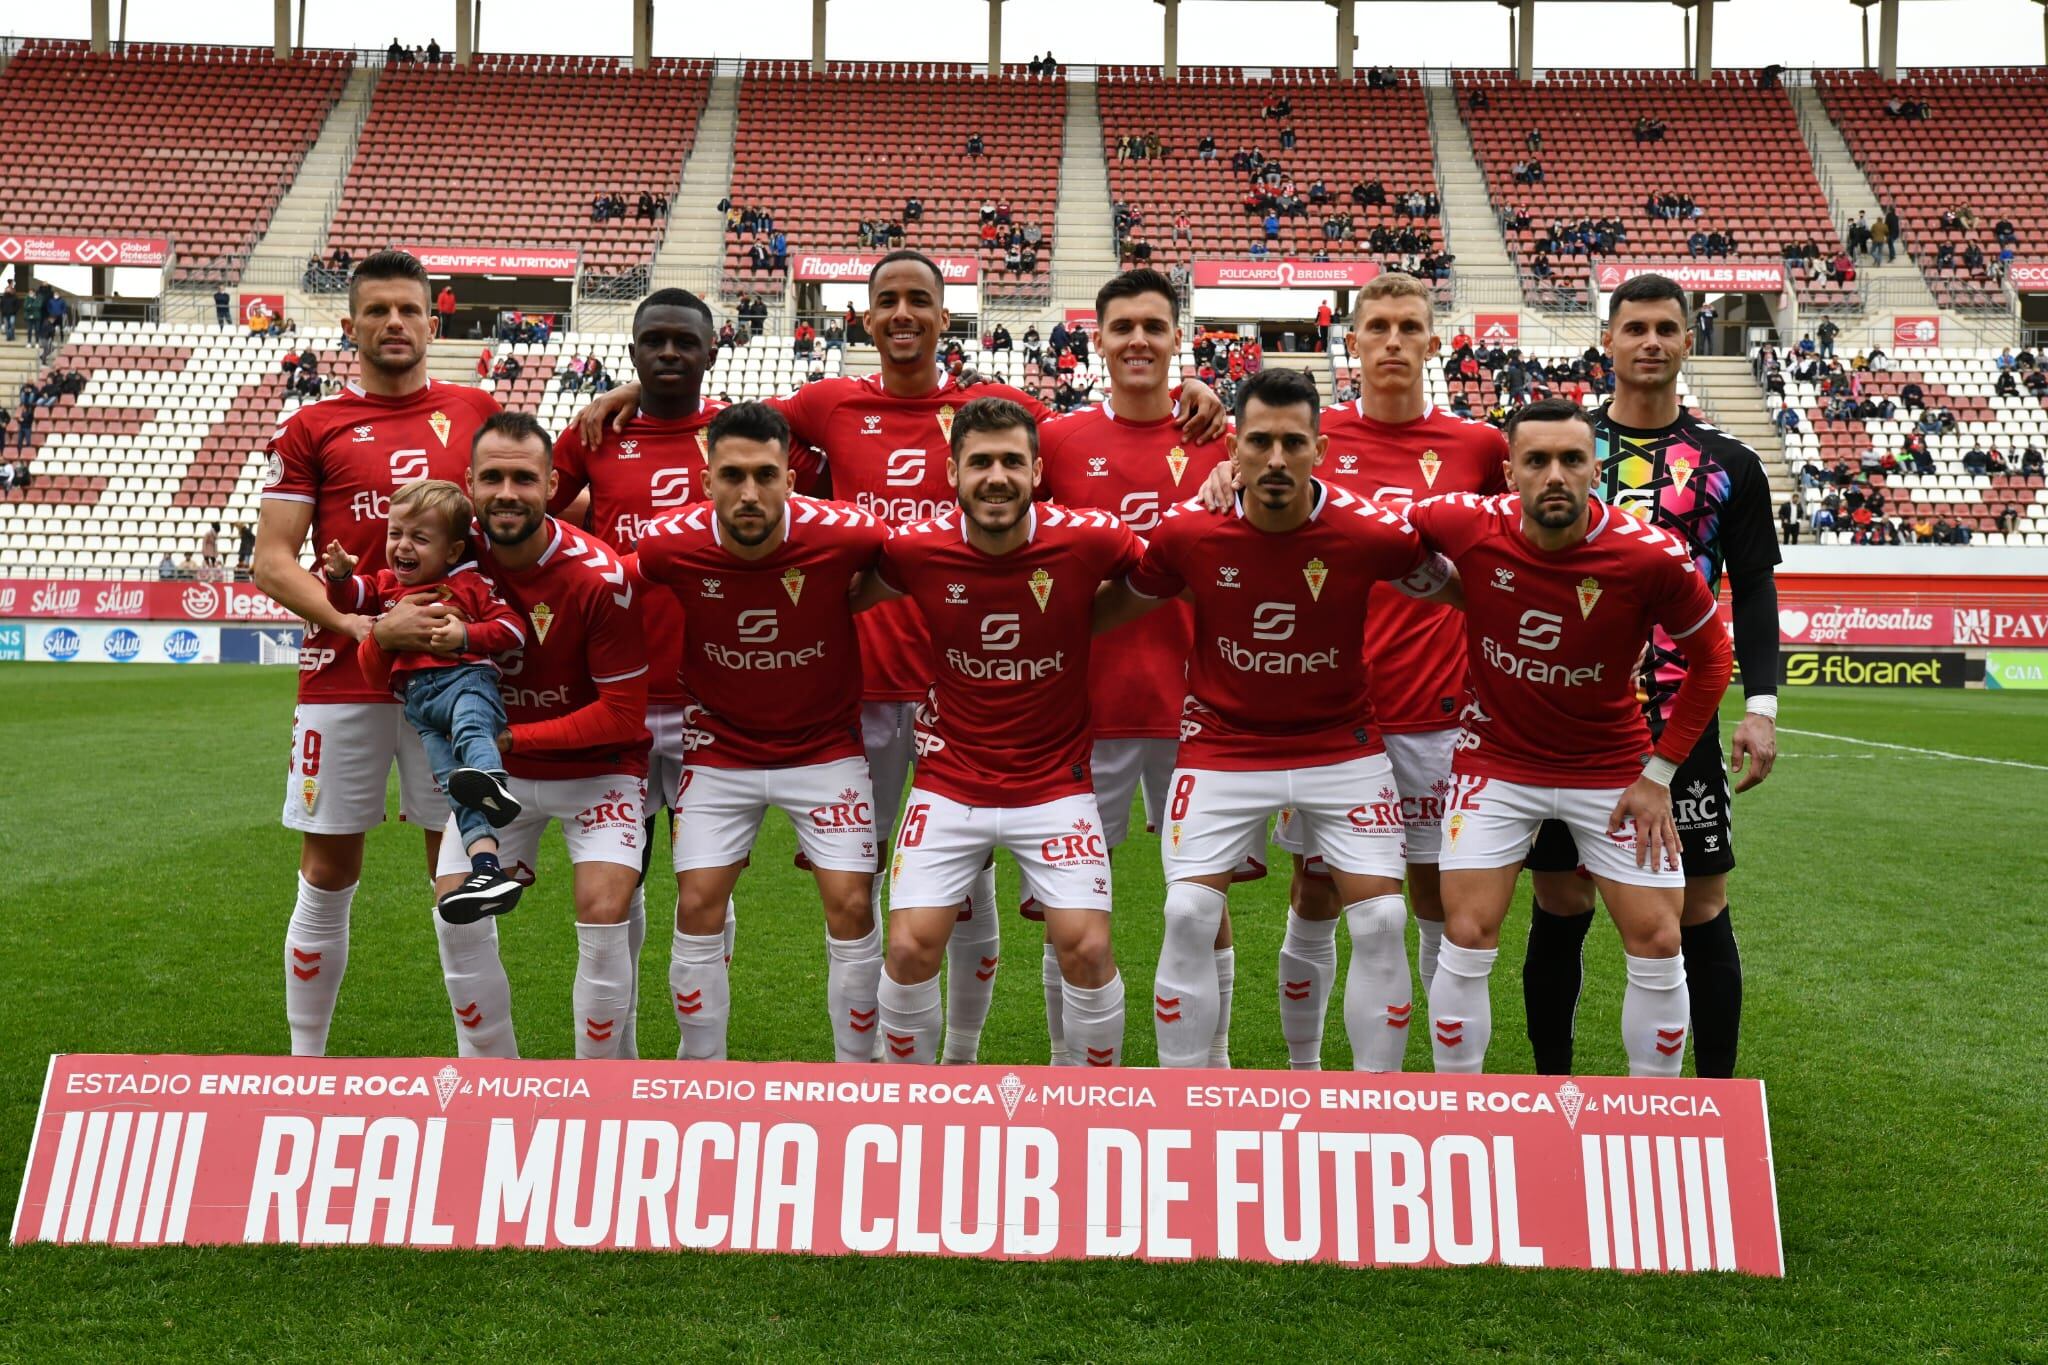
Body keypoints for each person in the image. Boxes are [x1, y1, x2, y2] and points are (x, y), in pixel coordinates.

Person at [577, 251, 1227, 1062]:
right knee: (883, 890)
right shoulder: (828, 401)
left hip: (994, 689)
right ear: (867, 316)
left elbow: (1128, 446)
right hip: (862, 682)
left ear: (945, 316)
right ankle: (885, 1069)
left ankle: (962, 1052)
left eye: (921, 300)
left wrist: (1197, 395)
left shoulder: (1016, 416)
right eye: (888, 301)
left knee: (976, 890)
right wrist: (644, 389)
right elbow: (732, 426)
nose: (904, 314)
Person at [1092, 368, 1459, 1069]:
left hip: (1341, 748)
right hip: (1223, 747)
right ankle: (1190, 1103)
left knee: (1382, 919)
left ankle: (1368, 1111)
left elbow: (1467, 593)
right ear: (1234, 448)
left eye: (1295, 442)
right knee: (1188, 913)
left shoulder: (1370, 531)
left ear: (1321, 448)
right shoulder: (1189, 531)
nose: (1278, 459)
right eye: (1260, 441)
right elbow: (1113, 606)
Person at [1407, 398, 1734, 1076]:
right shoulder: (1462, 522)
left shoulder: (1649, 556)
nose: (1555, 474)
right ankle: (1458, 1115)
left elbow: (1713, 658)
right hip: (1494, 763)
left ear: (1596, 468)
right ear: (1509, 473)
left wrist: (1659, 775)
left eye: (1571, 460)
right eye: (1537, 460)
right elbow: (1375, 532)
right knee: (1466, 932)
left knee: (1658, 935)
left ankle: (1657, 1124)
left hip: (1611, 769)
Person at [1520, 273, 1781, 1081]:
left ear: (1687, 341)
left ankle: (1716, 1102)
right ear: (1609, 341)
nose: (1651, 342)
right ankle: (1550, 1086)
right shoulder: (1563, 449)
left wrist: (1761, 704)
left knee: (1699, 903)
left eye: (1667, 328)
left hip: (1681, 718)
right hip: (1565, 715)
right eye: (1634, 328)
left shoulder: (1728, 462)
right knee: (1563, 899)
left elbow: (1758, 588)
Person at [1253, 271, 1511, 1070]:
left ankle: (1435, 1082)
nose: (1393, 340)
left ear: (1435, 343)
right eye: (1379, 327)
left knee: (1433, 896)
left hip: (1439, 714)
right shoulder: (1304, 438)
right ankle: (1306, 1069)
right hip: (1333, 717)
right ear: (1352, 343)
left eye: (1410, 327)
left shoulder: (1479, 447)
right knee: (1318, 891)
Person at [253, 250, 501, 1057]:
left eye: (409, 310)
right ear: (349, 324)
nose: (395, 323)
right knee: (326, 873)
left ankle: (485, 1069)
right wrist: (362, 628)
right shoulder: (312, 425)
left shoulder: (476, 409)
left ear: (436, 320)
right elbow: (274, 559)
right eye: (378, 311)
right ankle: (306, 1062)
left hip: (453, 676)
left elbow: (529, 510)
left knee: (459, 875)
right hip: (341, 680)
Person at [859, 397, 1145, 1066]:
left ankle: (1087, 1108)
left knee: (1088, 947)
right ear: (951, 469)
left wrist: (1081, 621)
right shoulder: (915, 550)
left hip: (1055, 784)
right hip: (950, 779)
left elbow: (1159, 576)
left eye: (1013, 461)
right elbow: (838, 591)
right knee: (906, 948)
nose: (997, 476)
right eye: (980, 461)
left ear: (1037, 469)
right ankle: (910, 1108)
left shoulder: (1090, 538)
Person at [634, 402, 888, 1062]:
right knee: (697, 902)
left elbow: (912, 564)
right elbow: (601, 587)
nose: (750, 492)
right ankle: (701, 1073)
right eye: (733, 475)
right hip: (721, 748)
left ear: (790, 481)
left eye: (766, 475)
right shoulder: (667, 545)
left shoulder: (850, 534)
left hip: (826, 745)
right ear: (706, 479)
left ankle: (859, 1077)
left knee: (852, 902)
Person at [1038, 269, 1236, 1065]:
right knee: (1071, 898)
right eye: (1123, 328)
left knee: (1202, 901)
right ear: (1098, 340)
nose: (1139, 342)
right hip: (1086, 700)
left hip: (1206, 702)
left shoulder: (1223, 438)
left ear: (1176, 338)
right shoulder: (1056, 441)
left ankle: (1211, 1067)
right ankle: (1069, 1065)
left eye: (1155, 326)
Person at [408, 412, 650, 1061]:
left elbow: (624, 715)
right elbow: (391, 658)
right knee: (453, 912)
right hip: (500, 773)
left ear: (551, 483)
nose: (507, 492)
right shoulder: (445, 558)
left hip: (597, 769)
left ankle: (598, 1094)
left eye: (523, 477)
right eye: (493, 477)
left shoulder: (599, 575)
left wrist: (507, 740)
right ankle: (492, 1079)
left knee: (603, 911)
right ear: (469, 484)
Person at [548, 288, 757, 997]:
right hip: (621, 691)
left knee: (706, 884)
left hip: (715, 693)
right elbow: (520, 515)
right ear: (632, 350)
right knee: (620, 877)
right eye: (654, 341)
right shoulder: (594, 434)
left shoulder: (740, 437)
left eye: (685, 342)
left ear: (712, 350)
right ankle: (622, 1044)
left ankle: (703, 1042)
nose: (670, 353)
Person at [320, 479, 529, 922]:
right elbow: (351, 598)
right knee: (458, 792)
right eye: (395, 534)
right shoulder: (386, 585)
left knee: (474, 736)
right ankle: (487, 869)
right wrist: (339, 574)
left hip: (466, 682)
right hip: (420, 708)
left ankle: (494, 783)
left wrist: (466, 634)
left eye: (419, 537)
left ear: (452, 551)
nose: (402, 546)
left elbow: (513, 630)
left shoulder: (469, 584)